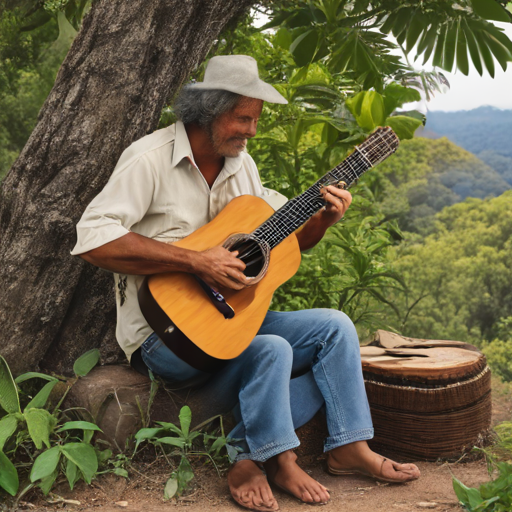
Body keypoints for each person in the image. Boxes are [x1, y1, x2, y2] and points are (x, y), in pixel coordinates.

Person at [72, 55, 420, 511]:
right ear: (209, 110)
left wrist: (323, 220)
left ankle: (348, 445)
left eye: (254, 119)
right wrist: (196, 261)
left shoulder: (241, 166)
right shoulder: (150, 159)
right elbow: (93, 239)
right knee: (272, 350)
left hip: (228, 319)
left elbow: (284, 239)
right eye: (243, 118)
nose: (252, 130)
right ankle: (257, 457)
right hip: (164, 336)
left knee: (335, 328)